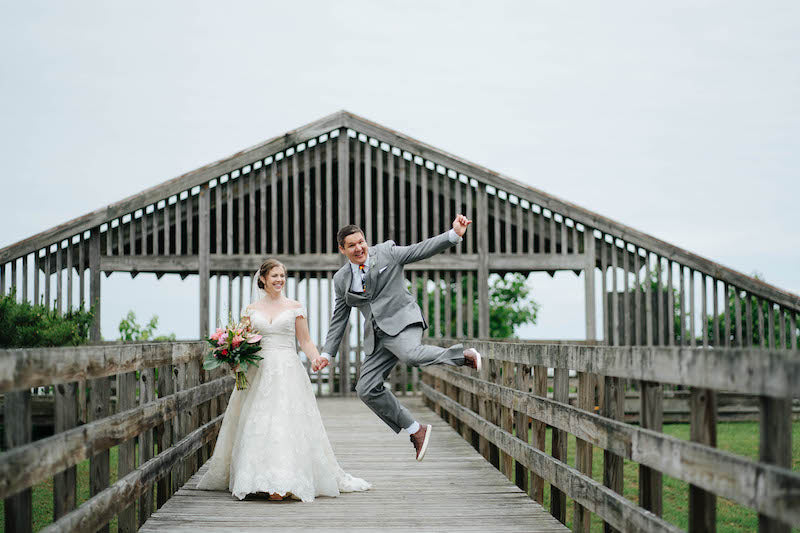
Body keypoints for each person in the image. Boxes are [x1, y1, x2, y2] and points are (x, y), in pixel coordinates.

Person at [197, 258, 370, 501]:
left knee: (283, 423)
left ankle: (284, 481)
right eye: (275, 276)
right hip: (258, 371)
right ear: (263, 279)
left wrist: (315, 358)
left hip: (287, 370)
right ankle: (256, 479)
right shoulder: (251, 310)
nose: (280, 280)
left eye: (282, 275)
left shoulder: (295, 307)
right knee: (257, 423)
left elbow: (305, 341)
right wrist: (234, 358)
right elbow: (243, 340)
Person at [311, 215, 482, 462]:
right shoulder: (341, 279)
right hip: (378, 337)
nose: (359, 248)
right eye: (351, 245)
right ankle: (416, 430)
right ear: (342, 249)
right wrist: (327, 353)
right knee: (366, 389)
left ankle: (461, 355)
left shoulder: (387, 253)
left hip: (403, 321)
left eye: (361, 242)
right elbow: (340, 316)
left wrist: (453, 235)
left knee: (411, 354)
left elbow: (419, 250)